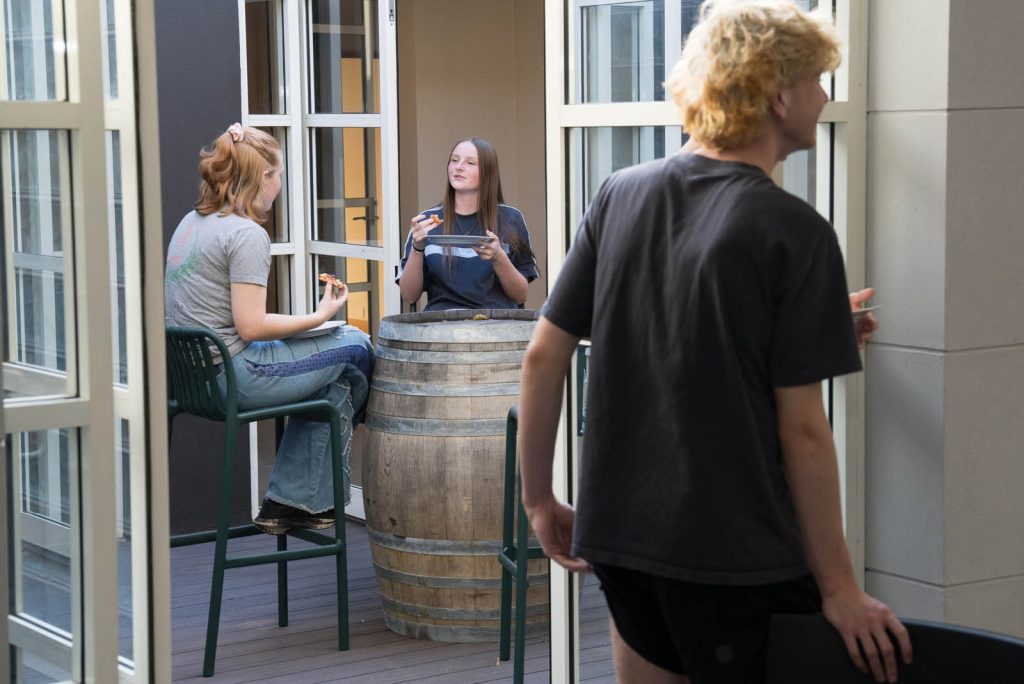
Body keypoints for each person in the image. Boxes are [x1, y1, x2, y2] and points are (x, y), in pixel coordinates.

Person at [518, 2, 910, 683]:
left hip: (622, 545)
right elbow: (803, 433)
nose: (825, 97)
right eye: (817, 80)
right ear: (777, 94)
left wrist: (538, 498)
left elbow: (544, 356)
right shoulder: (795, 231)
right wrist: (842, 588)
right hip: (736, 560)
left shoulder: (619, 193)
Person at [165, 123, 373, 535]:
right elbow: (252, 326)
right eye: (279, 174)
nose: (280, 183)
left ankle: (291, 504)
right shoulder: (246, 234)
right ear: (263, 177)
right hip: (235, 378)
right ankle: (339, 461)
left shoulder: (191, 223)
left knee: (335, 388)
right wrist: (319, 317)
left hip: (193, 381)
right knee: (356, 344)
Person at [397, 137, 539, 310]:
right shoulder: (426, 222)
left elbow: (520, 295)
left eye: (470, 163)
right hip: (440, 323)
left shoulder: (511, 219)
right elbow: (409, 295)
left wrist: (499, 257)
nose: (459, 167)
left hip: (497, 323)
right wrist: (417, 247)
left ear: (488, 172)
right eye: (454, 160)